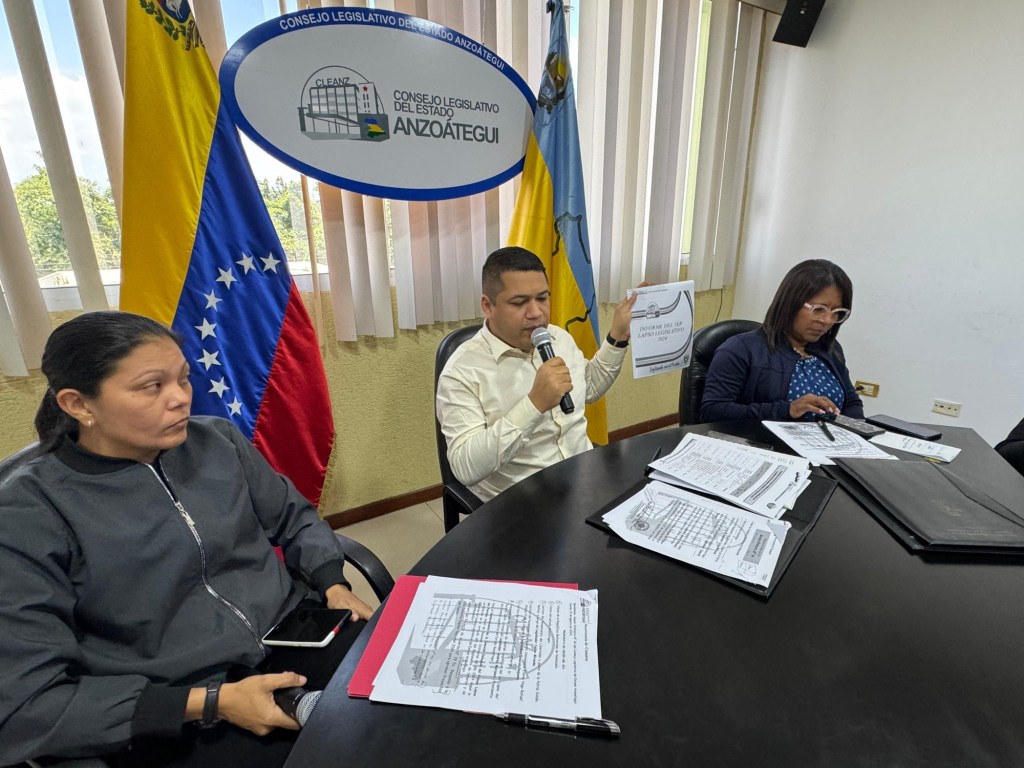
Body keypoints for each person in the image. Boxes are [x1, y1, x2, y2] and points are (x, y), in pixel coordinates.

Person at [0, 311, 373, 768]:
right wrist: (211, 702)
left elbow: (293, 517)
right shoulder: (28, 511)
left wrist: (332, 581)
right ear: (79, 404)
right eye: (152, 386)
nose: (180, 399)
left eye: (183, 379)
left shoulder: (217, 441)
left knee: (413, 702)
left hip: (291, 634)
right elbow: (27, 703)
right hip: (175, 698)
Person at [436, 246, 640, 502]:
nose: (535, 313)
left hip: (584, 477)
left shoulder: (558, 338)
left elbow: (588, 388)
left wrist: (617, 337)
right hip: (519, 500)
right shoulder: (461, 371)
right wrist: (534, 405)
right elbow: (465, 467)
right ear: (488, 306)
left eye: (542, 298)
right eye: (519, 302)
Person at [700, 259, 864, 423]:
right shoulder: (740, 349)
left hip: (828, 438)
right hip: (762, 437)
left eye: (836, 312)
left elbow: (852, 403)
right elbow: (713, 411)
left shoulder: (830, 348)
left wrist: (858, 431)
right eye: (818, 309)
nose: (827, 320)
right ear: (790, 304)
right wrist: (788, 409)